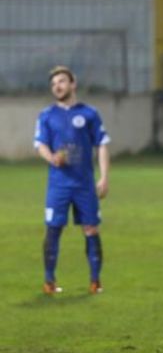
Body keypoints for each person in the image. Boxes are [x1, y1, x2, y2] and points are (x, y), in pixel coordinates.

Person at [33, 65, 110, 295]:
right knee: (53, 229)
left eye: (61, 81)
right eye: (53, 83)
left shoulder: (89, 113)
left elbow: (102, 144)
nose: (57, 86)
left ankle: (95, 282)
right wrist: (52, 158)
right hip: (58, 185)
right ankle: (49, 281)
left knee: (91, 228)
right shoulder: (46, 115)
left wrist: (104, 177)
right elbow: (40, 144)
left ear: (72, 84)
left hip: (84, 184)